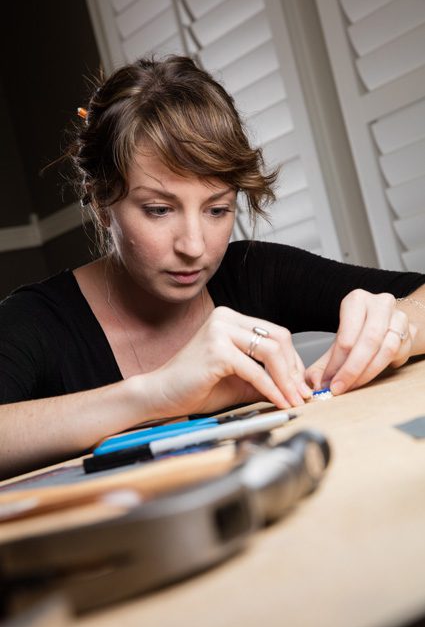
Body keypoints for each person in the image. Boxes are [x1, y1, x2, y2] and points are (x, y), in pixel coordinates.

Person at [1, 55, 424, 480]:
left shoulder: (253, 272)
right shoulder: (35, 322)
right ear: (101, 204)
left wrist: (397, 327)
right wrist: (156, 394)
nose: (194, 245)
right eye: (159, 209)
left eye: (217, 209)